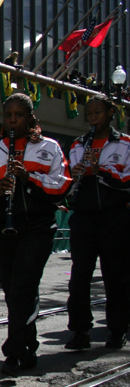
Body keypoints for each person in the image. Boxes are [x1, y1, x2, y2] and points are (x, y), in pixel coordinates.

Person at [0, 93, 71, 376]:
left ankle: (14, 351)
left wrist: (30, 178)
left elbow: (62, 186)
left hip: (38, 225)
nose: (13, 120)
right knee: (14, 288)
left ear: (30, 117)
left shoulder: (49, 147)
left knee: (24, 284)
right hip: (5, 226)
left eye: (19, 115)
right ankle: (28, 346)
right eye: (8, 115)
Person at [65, 96, 130, 350]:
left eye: (98, 113)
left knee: (115, 275)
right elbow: (69, 177)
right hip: (84, 216)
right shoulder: (78, 145)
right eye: (89, 114)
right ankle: (80, 330)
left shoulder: (124, 144)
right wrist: (78, 173)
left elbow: (126, 181)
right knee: (79, 275)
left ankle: (117, 329)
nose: (93, 118)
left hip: (115, 217)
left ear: (110, 113)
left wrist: (100, 172)